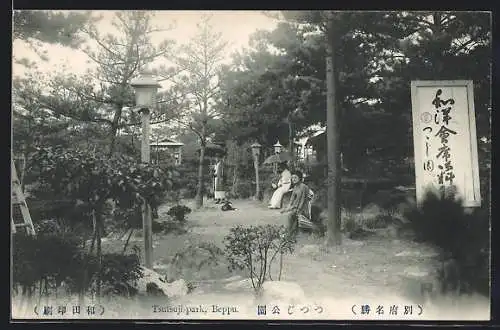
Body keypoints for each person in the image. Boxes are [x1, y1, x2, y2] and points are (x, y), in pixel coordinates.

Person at [280, 170, 310, 238]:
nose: (293, 179)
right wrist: (286, 208)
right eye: (292, 178)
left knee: (290, 215)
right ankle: (289, 233)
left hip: (304, 207)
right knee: (288, 214)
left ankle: (289, 234)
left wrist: (297, 209)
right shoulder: (295, 187)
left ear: (300, 178)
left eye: (295, 178)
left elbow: (303, 200)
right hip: (296, 207)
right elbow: (292, 200)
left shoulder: (303, 187)